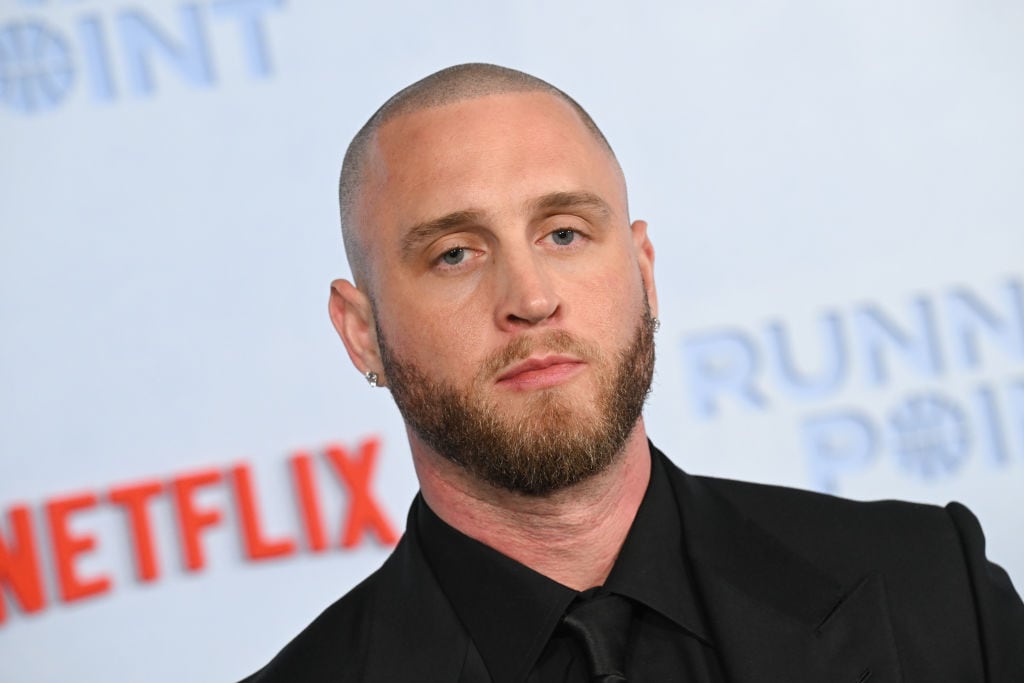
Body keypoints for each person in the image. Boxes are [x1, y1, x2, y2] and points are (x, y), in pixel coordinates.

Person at [241, 63, 1023, 682]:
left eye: (565, 233)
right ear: (362, 332)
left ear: (644, 271)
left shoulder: (927, 583)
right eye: (455, 253)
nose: (531, 298)